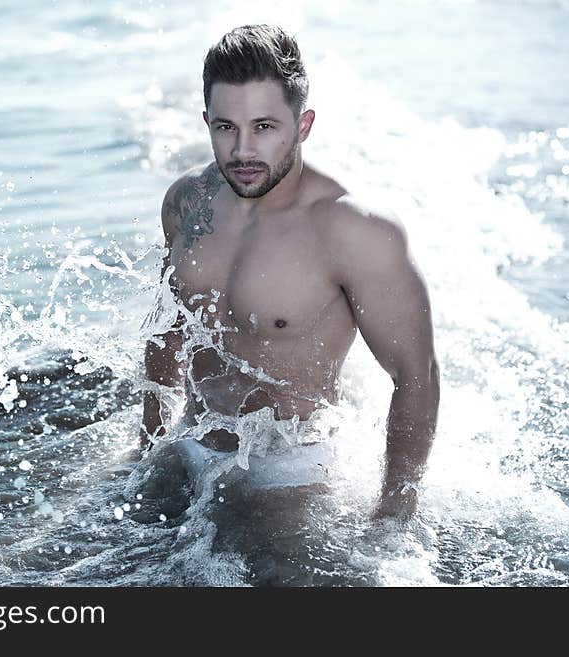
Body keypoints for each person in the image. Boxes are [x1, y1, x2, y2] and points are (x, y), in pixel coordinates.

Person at [140, 24, 439, 520]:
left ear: (303, 125)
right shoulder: (187, 203)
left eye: (264, 127)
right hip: (191, 442)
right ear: (207, 121)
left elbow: (416, 375)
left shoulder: (353, 230)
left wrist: (392, 521)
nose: (242, 151)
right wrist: (149, 446)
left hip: (292, 468)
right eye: (225, 127)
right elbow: (168, 330)